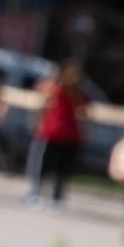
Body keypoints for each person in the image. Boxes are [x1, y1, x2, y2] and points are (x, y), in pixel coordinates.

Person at [27, 59, 86, 208]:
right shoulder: (55, 88)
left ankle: (56, 197)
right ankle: (36, 193)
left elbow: (84, 112)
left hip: (69, 134)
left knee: (61, 170)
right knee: (43, 166)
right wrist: (39, 122)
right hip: (52, 132)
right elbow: (42, 99)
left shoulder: (78, 93)